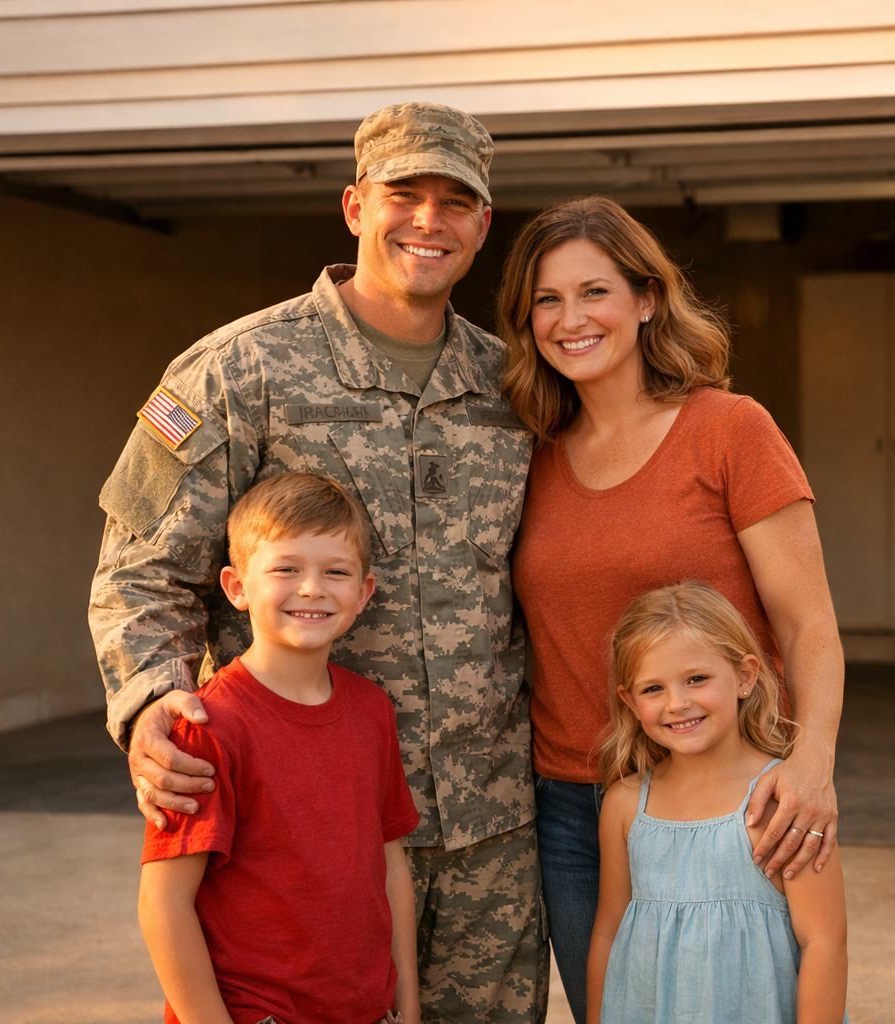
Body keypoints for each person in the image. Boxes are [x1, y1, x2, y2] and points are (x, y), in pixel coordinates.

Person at [90, 102, 545, 1023]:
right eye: (403, 194)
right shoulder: (235, 371)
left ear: (483, 224)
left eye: (456, 200)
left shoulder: (515, 389)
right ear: (352, 205)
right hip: (294, 843)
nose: (429, 219)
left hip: (492, 839)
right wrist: (149, 703)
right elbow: (140, 572)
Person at [501, 197, 845, 1021]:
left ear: (647, 298)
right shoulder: (527, 451)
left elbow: (809, 625)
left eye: (595, 292)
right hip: (577, 802)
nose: (570, 319)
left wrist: (813, 763)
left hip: (733, 796)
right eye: (546, 300)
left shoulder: (728, 431)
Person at [139, 472, 420, 1024]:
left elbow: (390, 867)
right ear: (237, 586)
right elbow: (163, 905)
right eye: (286, 569)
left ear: (363, 592)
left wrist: (406, 1007)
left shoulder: (371, 710)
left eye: (335, 572)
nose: (311, 588)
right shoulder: (208, 725)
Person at [586, 581, 847, 1024]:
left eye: (697, 679)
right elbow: (609, 930)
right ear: (629, 701)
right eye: (653, 689)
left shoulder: (781, 802)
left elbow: (824, 941)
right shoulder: (625, 804)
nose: (677, 703)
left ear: (745, 677)